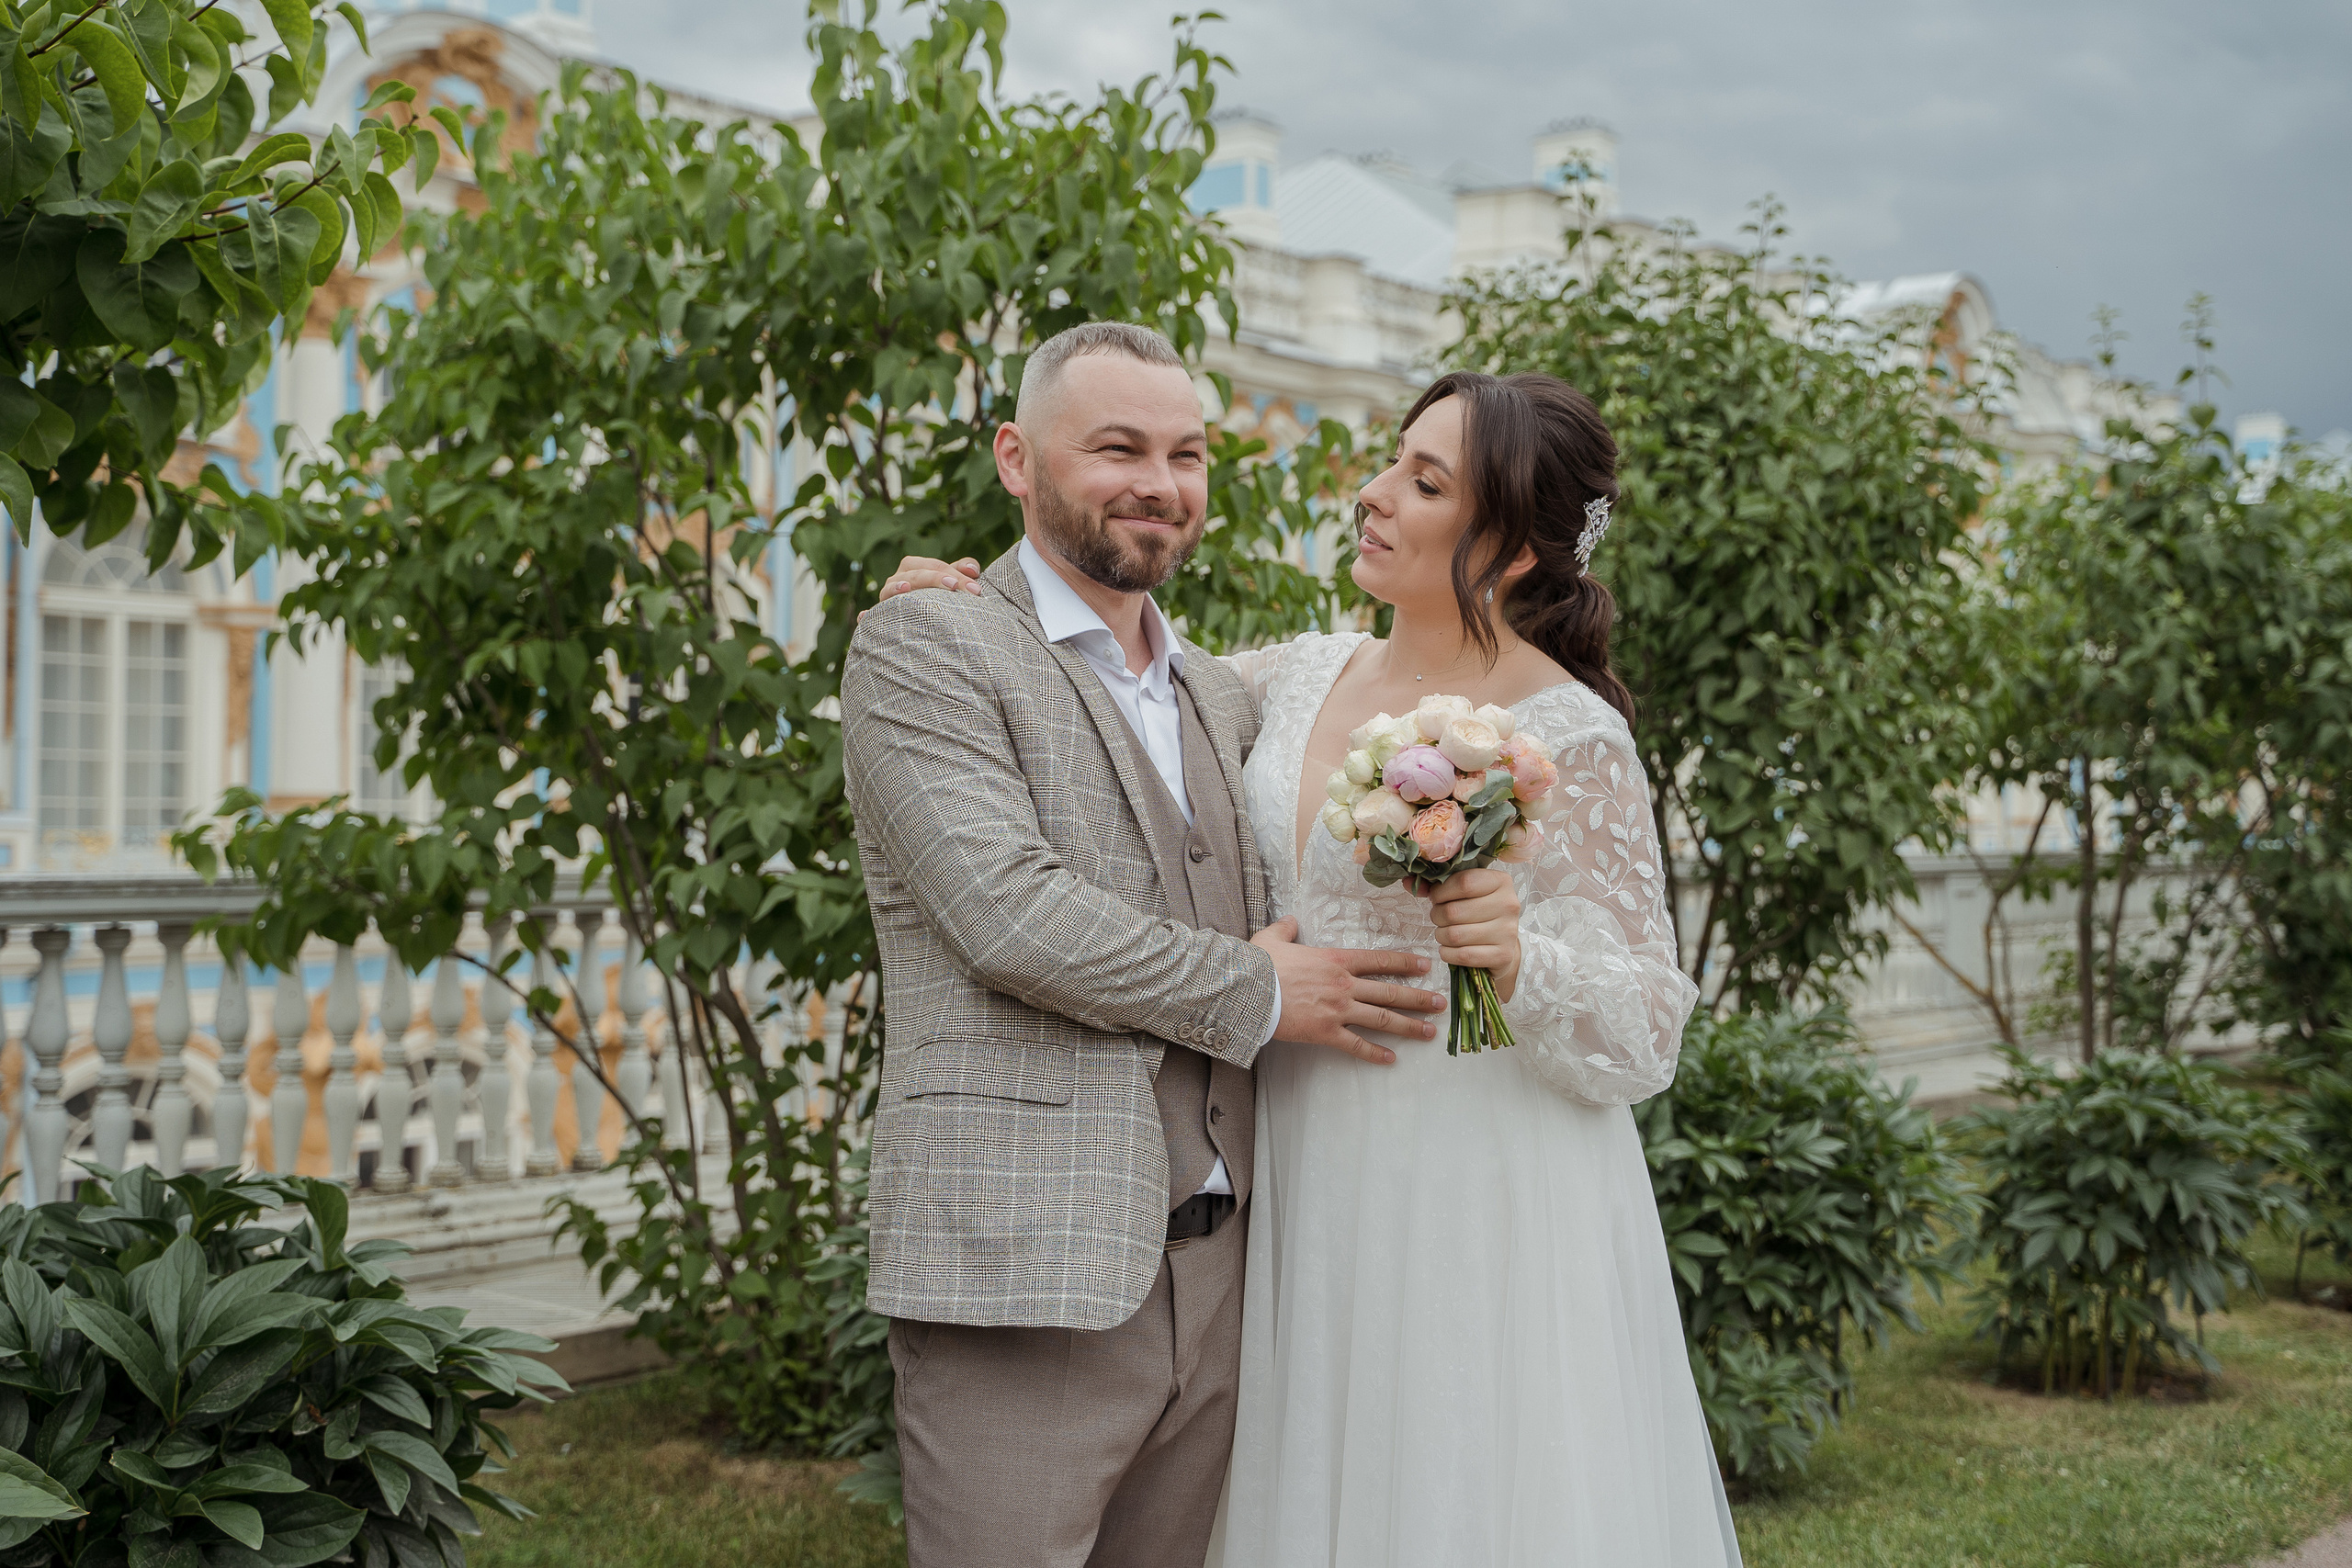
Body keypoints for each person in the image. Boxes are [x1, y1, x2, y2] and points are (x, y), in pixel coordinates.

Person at [879, 366, 1744, 1565]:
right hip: (1297, 1163)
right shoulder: (1292, 677)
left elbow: (1648, 1028)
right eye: (1393, 460)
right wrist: (964, 613)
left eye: (1424, 481)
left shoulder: (1573, 733)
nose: (1374, 491)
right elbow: (1102, 702)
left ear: (1512, 552)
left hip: (1476, 1181)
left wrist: (1522, 958)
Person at [840, 321, 1446, 1568]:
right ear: (1017, 458)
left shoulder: (1224, 694)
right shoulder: (927, 643)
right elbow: (1008, 914)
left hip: (1226, 1280)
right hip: (1028, 1267)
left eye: (1187, 453)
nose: (1158, 484)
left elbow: (1420, 668)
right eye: (1116, 446)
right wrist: (1259, 990)